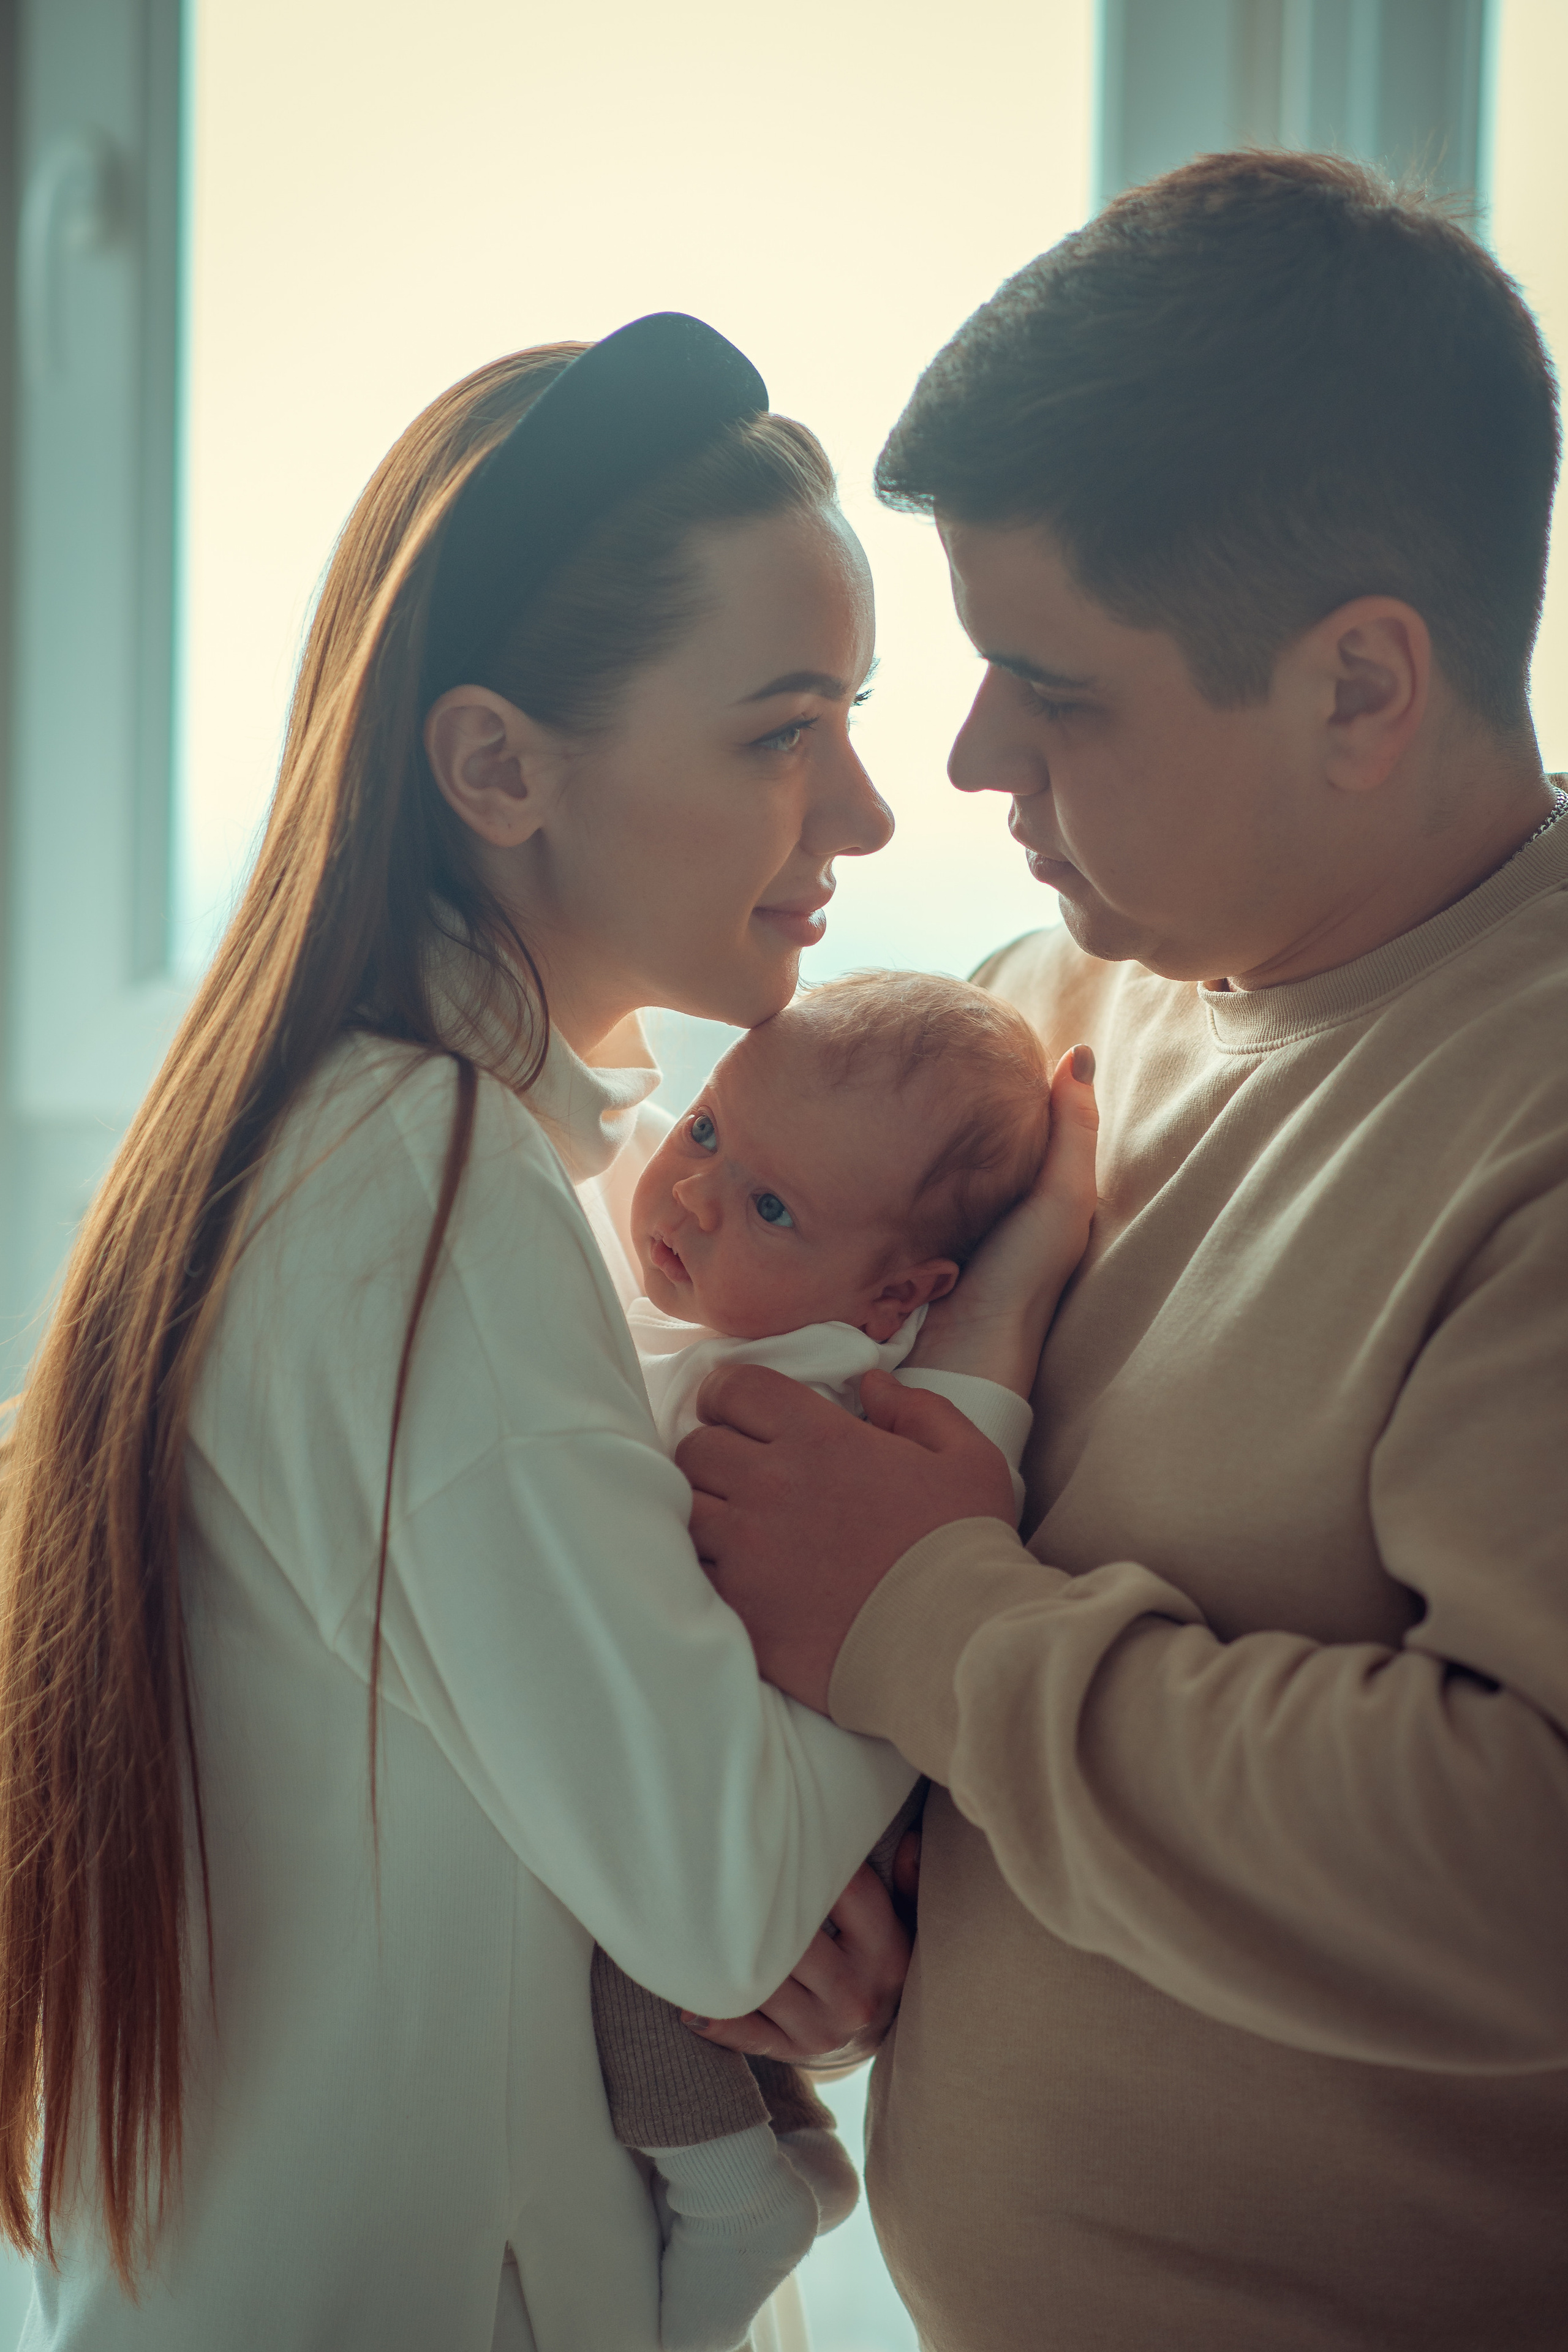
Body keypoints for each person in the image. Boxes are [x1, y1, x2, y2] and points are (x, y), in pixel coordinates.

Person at [0, 314, 1083, 2352]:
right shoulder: (420, 1194)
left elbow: (634, 1863)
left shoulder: (436, 1152)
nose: (860, 808)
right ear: (499, 765)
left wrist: (765, 1960)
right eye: (781, 731)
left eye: (846, 716)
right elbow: (728, 1888)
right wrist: (986, 1361)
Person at [682, 155, 1568, 2351]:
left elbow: (1532, 1858)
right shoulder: (1044, 1012)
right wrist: (791, 1883)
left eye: (1050, 689)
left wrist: (934, 1633)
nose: (967, 758)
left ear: (1364, 687)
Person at [591, 971, 1096, 2352]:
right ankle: (779, 2144)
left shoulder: (823, 1374)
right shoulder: (750, 1308)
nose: (689, 1197)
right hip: (765, 1793)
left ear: (894, 1296)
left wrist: (1029, 1272)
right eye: (703, 1133)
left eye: (767, 1209)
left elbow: (963, 1451)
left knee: (640, 1976)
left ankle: (728, 2185)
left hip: (786, 1794)